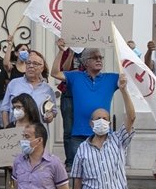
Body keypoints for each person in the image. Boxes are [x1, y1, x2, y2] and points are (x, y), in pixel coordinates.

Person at [52, 42, 121, 173]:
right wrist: (61, 51)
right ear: (85, 62)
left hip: (103, 135)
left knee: (102, 172)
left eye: (101, 57)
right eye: (95, 57)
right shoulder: (75, 76)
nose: (99, 60)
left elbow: (131, 76)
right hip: (79, 135)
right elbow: (55, 73)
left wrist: (130, 52)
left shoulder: (111, 78)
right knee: (79, 174)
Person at [0, 50, 57, 128]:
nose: (31, 66)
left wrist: (50, 116)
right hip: (15, 132)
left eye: (35, 64)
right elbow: (5, 109)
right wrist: (7, 129)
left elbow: (53, 111)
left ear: (42, 68)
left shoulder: (48, 89)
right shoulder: (14, 83)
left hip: (38, 134)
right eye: (28, 63)